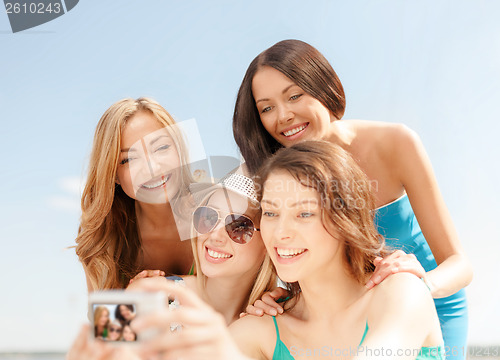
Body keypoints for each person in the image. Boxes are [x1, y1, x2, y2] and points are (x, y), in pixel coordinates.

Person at [232, 39, 472, 356]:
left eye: (294, 96)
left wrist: (421, 286)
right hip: (330, 318)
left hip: (420, 296)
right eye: (266, 108)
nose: (284, 115)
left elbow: (460, 264)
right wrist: (264, 295)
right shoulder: (260, 172)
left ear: (325, 87)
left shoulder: (394, 142)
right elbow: (212, 230)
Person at [130, 141, 446, 360]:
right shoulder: (256, 327)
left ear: (343, 219)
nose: (281, 232)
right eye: (271, 212)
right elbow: (99, 340)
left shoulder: (400, 290)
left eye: (239, 226)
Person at [75, 97, 196, 291]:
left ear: (179, 149)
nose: (152, 168)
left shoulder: (216, 209)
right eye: (128, 159)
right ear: (113, 174)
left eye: (162, 147)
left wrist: (163, 286)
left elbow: (237, 293)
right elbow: (103, 318)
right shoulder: (103, 238)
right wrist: (133, 298)